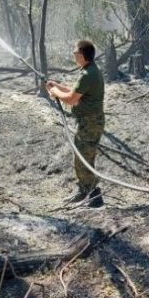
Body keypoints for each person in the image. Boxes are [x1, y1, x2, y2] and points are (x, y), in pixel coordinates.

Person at [46, 39, 105, 208]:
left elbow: (71, 99)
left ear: (83, 55)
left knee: (82, 158)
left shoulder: (88, 74)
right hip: (90, 122)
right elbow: (75, 92)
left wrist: (55, 92)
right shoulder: (89, 71)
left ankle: (93, 196)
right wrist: (56, 86)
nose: (73, 53)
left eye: (76, 51)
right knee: (84, 157)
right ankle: (85, 192)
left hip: (90, 123)